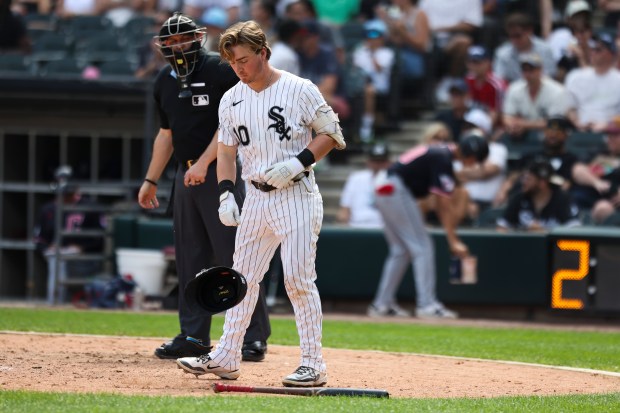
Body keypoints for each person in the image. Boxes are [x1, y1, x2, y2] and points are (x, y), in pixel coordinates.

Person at [176, 20, 345, 387]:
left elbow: (332, 134)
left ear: (263, 53)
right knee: (242, 279)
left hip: (296, 194)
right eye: (232, 61)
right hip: (254, 197)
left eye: (243, 59)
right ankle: (226, 356)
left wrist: (298, 161)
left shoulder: (299, 88)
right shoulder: (232, 98)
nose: (238, 67)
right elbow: (226, 151)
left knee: (298, 279)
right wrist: (224, 192)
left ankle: (313, 365)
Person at [137, 12, 271, 363]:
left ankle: (252, 336)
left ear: (198, 38)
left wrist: (204, 163)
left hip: (220, 172)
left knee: (236, 257)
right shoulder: (164, 81)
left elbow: (229, 125)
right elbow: (166, 135)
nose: (178, 46)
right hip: (186, 176)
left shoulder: (219, 70)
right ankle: (193, 336)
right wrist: (151, 180)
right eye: (171, 41)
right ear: (163, 46)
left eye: (184, 39)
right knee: (189, 258)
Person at [368, 134, 489, 318]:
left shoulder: (441, 153)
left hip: (384, 186)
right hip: (394, 188)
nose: (474, 163)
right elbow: (443, 204)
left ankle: (381, 304)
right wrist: (453, 240)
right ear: (470, 154)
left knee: (400, 250)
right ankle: (427, 305)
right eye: (476, 159)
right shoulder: (443, 157)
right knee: (423, 246)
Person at [33, 184, 105, 305]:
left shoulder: (90, 207)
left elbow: (100, 236)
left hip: (82, 252)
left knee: (58, 259)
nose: (63, 198)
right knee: (54, 257)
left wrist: (83, 247)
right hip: (56, 250)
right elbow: (38, 239)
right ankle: (54, 302)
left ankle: (55, 302)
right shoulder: (48, 209)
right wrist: (47, 247)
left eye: (67, 195)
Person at [496, 159, 581, 231]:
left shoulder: (563, 199)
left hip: (555, 249)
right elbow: (501, 228)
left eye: (528, 179)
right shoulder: (518, 198)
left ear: (542, 183)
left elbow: (575, 231)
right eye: (523, 178)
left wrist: (544, 233)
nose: (524, 182)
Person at [502, 52, 570, 139]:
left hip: (548, 138)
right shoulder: (514, 88)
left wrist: (522, 124)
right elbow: (507, 117)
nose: (528, 74)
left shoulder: (557, 90)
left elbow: (553, 122)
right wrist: (514, 126)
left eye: (531, 69)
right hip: (520, 137)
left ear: (540, 70)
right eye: (525, 70)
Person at [565, 33, 620, 133]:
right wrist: (577, 122)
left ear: (611, 54)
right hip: (580, 130)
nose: (593, 52)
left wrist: (608, 125)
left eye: (598, 50)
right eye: (592, 49)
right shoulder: (575, 76)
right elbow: (570, 108)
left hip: (611, 133)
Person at [337, 143, 391, 228]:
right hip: (357, 227)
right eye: (375, 161)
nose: (378, 164)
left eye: (381, 161)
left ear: (388, 162)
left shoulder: (394, 181)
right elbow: (344, 209)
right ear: (368, 161)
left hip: (383, 229)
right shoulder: (356, 178)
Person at [493, 13, 556, 84]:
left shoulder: (545, 49)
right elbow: (499, 80)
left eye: (517, 35)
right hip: (512, 91)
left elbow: (549, 76)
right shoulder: (502, 53)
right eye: (511, 36)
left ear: (529, 31)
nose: (514, 40)